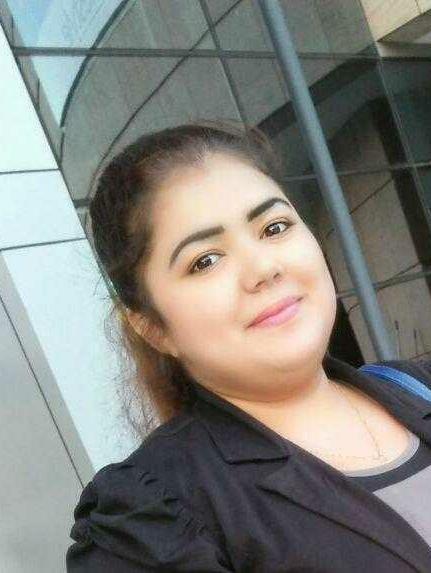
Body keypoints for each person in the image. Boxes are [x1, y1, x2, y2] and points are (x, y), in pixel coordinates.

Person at [66, 120, 431, 572]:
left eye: (275, 227)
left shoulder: (417, 388)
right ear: (152, 327)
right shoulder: (149, 523)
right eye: (205, 261)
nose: (263, 268)